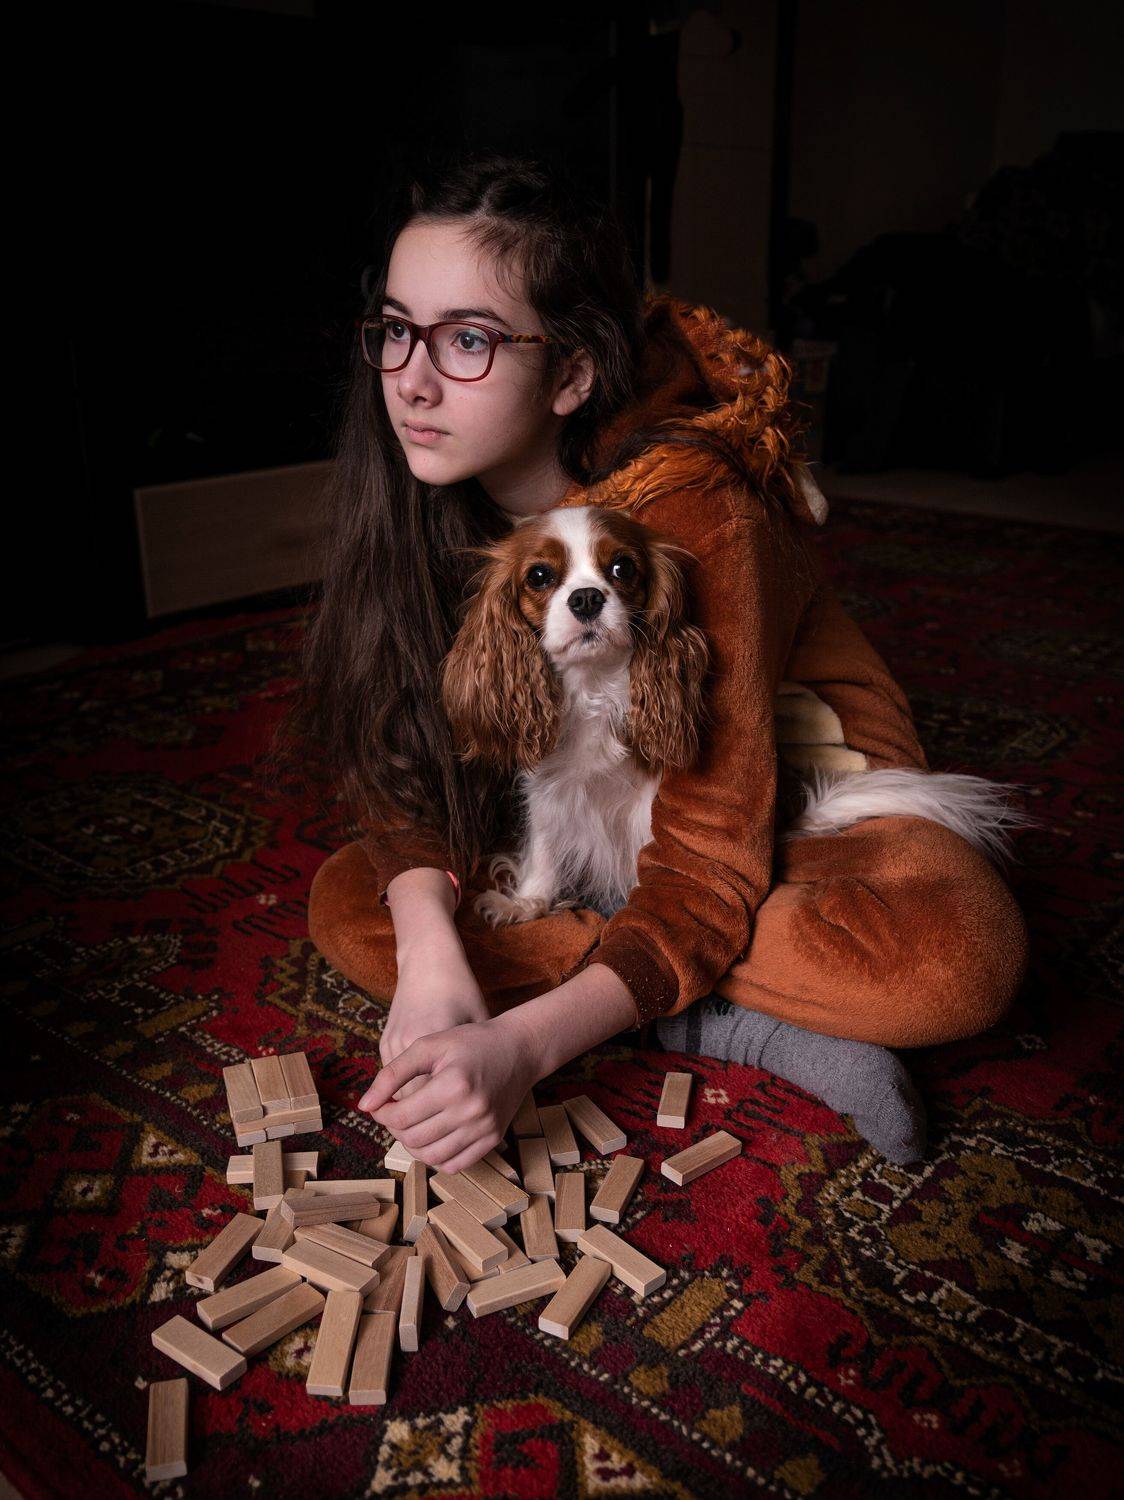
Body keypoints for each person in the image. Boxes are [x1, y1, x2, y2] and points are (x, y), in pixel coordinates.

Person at [261, 149, 1031, 1178]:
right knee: (360, 902)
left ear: (572, 375)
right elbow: (403, 764)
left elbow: (711, 854)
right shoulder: (426, 486)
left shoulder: (691, 507)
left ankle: (712, 1020)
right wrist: (433, 951)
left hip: (796, 804)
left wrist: (522, 1046)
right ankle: (666, 988)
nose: (411, 378)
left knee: (957, 955)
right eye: (397, 329)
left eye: (469, 339)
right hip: (587, 807)